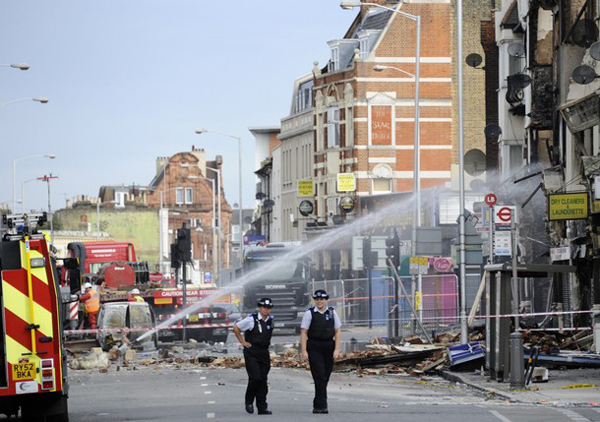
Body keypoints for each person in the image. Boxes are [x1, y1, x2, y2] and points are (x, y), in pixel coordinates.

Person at [300, 289, 341, 414]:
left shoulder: (332, 312)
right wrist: (304, 351)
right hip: (314, 346)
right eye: (317, 299)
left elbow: (338, 331)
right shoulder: (310, 313)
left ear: (326, 300)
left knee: (325, 377)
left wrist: (337, 349)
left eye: (321, 299)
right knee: (320, 376)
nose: (319, 302)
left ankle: (317, 404)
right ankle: (322, 405)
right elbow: (303, 332)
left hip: (329, 346)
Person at [233, 297, 274, 415]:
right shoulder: (252, 319)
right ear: (260, 308)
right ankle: (249, 401)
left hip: (264, 352)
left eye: (268, 308)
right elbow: (236, 327)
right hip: (252, 352)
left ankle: (262, 407)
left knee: (263, 380)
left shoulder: (270, 321)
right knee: (255, 377)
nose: (266, 310)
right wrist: (242, 341)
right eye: (264, 307)